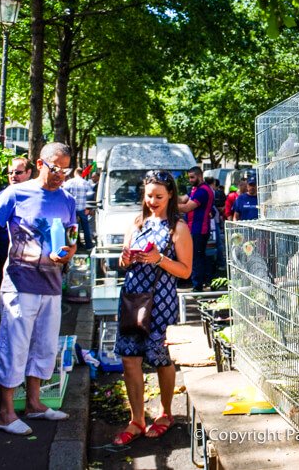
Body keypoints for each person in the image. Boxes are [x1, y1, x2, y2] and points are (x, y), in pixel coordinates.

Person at [0, 142, 77, 435]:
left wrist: (67, 254)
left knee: (44, 345)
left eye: (65, 169)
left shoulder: (68, 200)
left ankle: (34, 404)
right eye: (56, 167)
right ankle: (6, 413)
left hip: (51, 283)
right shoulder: (15, 193)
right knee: (15, 345)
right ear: (39, 163)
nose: (61, 174)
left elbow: (71, 242)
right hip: (20, 282)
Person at [113, 170, 191, 445]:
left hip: (161, 302)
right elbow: (124, 261)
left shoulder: (177, 228)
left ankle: (166, 413)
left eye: (159, 196)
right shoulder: (136, 223)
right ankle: (136, 420)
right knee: (129, 360)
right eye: (149, 196)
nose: (153, 201)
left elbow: (185, 271)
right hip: (132, 299)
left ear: (171, 194)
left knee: (161, 359)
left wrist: (159, 259)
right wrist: (124, 258)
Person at [0, 157, 34, 277]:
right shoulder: (0, 197)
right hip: (5, 251)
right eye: (10, 172)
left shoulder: (37, 196)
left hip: (31, 253)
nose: (13, 176)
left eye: (18, 172)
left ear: (29, 173)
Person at [177, 167, 214, 291]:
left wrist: (168, 204)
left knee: (197, 258)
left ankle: (198, 286)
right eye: (189, 177)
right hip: (193, 229)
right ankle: (197, 282)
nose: (190, 180)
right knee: (195, 257)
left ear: (200, 176)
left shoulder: (203, 191)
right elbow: (183, 199)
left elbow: (187, 207)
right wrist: (168, 196)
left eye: (192, 177)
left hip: (200, 229)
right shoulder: (195, 189)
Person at [63, 168, 95, 251]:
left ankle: (73, 245)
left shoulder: (69, 182)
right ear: (81, 173)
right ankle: (89, 245)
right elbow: (91, 195)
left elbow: (64, 194)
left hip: (72, 209)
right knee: (85, 227)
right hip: (82, 208)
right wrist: (88, 208)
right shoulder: (86, 183)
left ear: (75, 173)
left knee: (73, 227)